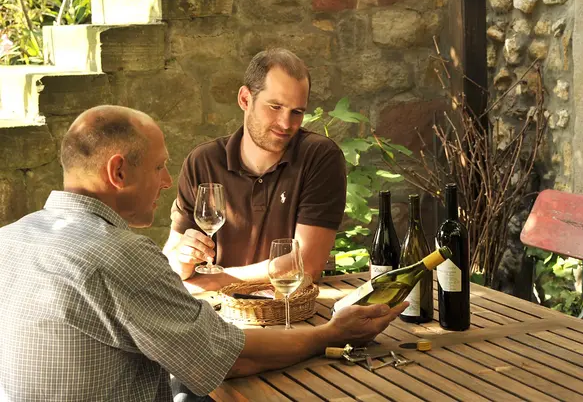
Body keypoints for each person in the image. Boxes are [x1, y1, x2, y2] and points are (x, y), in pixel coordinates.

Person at [0, 105, 406, 401]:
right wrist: (332, 333)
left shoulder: (10, 239)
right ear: (119, 172)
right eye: (159, 167)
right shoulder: (119, 254)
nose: (165, 182)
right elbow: (228, 358)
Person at [164, 49, 347, 290]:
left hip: (288, 312)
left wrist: (210, 281)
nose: (286, 123)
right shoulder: (203, 161)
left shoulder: (319, 157)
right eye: (275, 107)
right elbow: (171, 260)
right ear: (245, 99)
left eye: (297, 112)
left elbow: (306, 264)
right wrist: (182, 260)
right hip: (216, 313)